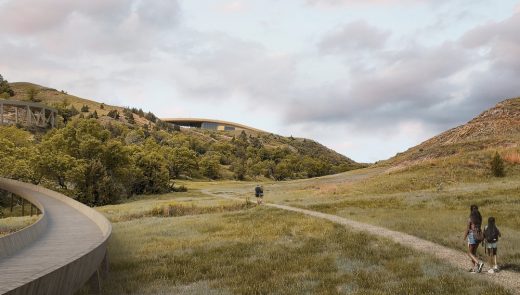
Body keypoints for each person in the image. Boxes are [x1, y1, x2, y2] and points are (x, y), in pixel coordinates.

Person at [464, 205, 484, 273]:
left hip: (472, 235)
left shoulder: (470, 219)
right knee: (474, 253)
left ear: (471, 210)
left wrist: (464, 237)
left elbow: (467, 229)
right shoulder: (479, 218)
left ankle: (479, 263)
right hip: (478, 236)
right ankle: (473, 269)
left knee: (469, 253)